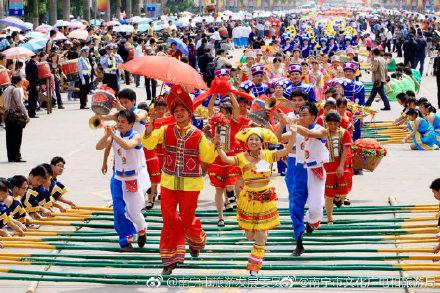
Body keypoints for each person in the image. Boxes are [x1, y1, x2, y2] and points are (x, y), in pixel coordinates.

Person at [142, 85, 217, 275]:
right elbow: (149, 144)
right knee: (169, 219)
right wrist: (149, 130)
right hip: (168, 183)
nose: (179, 114)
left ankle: (197, 240)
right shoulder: (165, 130)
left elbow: (207, 158)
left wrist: (214, 143)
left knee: (187, 219)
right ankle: (169, 259)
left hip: (191, 186)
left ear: (189, 113)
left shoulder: (198, 135)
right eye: (176, 111)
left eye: (183, 110)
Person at [215, 126, 296, 276]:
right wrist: (218, 146)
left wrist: (294, 134)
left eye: (256, 139)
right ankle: (262, 234)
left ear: (261, 142)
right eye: (250, 139)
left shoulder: (268, 155)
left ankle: (255, 264)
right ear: (246, 142)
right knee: (249, 236)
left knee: (259, 236)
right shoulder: (241, 157)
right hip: (248, 199)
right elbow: (226, 159)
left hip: (265, 198)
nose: (253, 141)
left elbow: (285, 151)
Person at [96, 110, 148, 252]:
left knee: (133, 212)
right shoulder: (115, 134)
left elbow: (127, 145)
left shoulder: (136, 136)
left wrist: (113, 135)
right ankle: (125, 240)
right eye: (118, 121)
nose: (119, 124)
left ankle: (142, 229)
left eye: (123, 122)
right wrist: (108, 135)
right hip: (117, 179)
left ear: (131, 124)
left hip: (132, 180)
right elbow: (99, 147)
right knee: (119, 211)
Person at [289, 102, 329, 256]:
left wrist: (293, 124)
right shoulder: (297, 129)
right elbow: (280, 137)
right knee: (295, 205)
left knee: (316, 208)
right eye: (300, 115)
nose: (301, 117)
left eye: (304, 115)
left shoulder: (321, 130)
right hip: (299, 170)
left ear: (314, 116)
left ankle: (312, 221)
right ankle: (298, 239)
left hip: (315, 170)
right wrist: (280, 121)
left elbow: (309, 134)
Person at [322, 112, 353, 222]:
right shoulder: (323, 133)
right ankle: (330, 218)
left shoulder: (344, 133)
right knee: (328, 195)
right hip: (327, 167)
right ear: (327, 124)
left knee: (343, 193)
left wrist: (341, 166)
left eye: (335, 124)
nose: (332, 127)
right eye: (330, 124)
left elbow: (345, 150)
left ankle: (338, 198)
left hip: (341, 165)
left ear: (338, 123)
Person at [3, 75, 29, 163]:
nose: (22, 82)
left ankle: (10, 157)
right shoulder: (16, 89)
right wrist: (26, 115)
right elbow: (20, 104)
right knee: (17, 136)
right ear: (18, 81)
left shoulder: (7, 89)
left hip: (7, 115)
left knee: (9, 137)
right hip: (15, 116)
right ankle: (17, 156)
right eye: (22, 81)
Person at [25, 54, 39, 118]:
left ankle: (30, 113)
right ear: (35, 57)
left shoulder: (28, 63)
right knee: (34, 98)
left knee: (31, 98)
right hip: (33, 83)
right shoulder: (33, 64)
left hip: (29, 83)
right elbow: (35, 76)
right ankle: (32, 113)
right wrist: (37, 84)